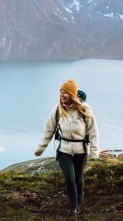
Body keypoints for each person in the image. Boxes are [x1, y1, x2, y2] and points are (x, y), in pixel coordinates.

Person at [34, 79, 99, 216]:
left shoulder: (85, 109)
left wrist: (94, 151)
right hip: (64, 150)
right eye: (60, 92)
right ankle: (73, 206)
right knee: (70, 177)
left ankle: (79, 199)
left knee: (78, 179)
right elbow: (48, 129)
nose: (62, 95)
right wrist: (40, 148)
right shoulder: (58, 109)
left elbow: (93, 131)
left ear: (72, 95)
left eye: (65, 93)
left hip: (81, 150)